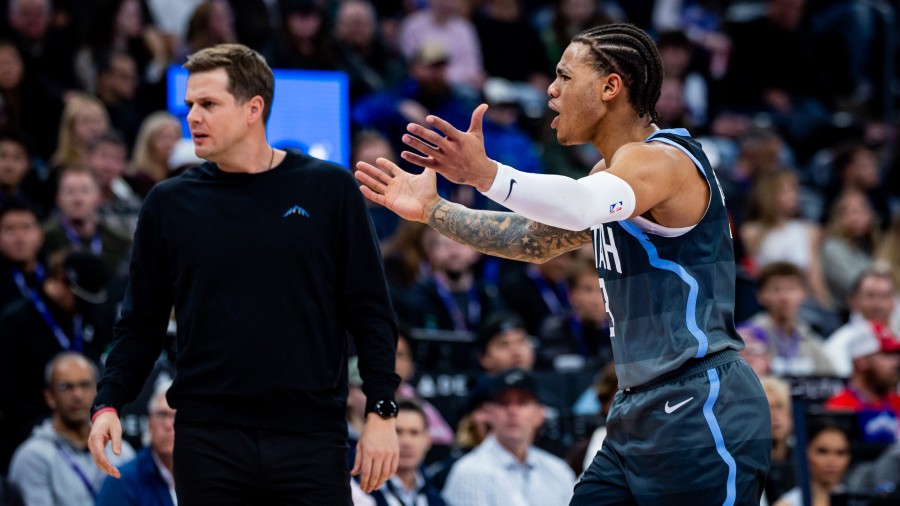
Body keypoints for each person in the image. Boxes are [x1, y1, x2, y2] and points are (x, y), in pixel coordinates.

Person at [355, 22, 771, 504]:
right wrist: (433, 211)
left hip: (701, 403)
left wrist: (487, 174)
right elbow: (532, 241)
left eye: (564, 77)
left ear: (610, 86)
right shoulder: (608, 177)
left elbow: (576, 205)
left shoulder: (665, 162)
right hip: (637, 411)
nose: (550, 90)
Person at [86, 43, 400, 505]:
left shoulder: (329, 188)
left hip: (310, 435)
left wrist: (380, 410)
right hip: (207, 439)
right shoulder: (168, 203)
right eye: (189, 104)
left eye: (208, 104)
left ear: (254, 108)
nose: (192, 117)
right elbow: (140, 324)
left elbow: (371, 310)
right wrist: (108, 401)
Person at [7, 352, 135, 505]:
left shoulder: (120, 451)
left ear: (97, 391)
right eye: (65, 386)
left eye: (85, 384)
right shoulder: (32, 457)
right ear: (50, 397)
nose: (77, 394)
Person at [442, 368, 576, 506]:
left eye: (522, 403)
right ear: (490, 413)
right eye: (504, 403)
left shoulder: (558, 471)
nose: (513, 411)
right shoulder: (469, 472)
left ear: (539, 414)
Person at [95, 379, 176, 506]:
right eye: (162, 414)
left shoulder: (205, 474)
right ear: (149, 422)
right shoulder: (122, 482)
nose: (168, 425)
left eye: (176, 416)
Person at [367, 399, 447, 506]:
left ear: (428, 440)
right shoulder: (360, 491)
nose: (406, 442)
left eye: (414, 433)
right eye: (397, 432)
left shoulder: (436, 496)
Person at [772, 420, 851, 506]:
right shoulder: (786, 504)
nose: (832, 461)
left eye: (840, 453)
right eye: (822, 451)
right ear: (804, 454)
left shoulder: (857, 501)